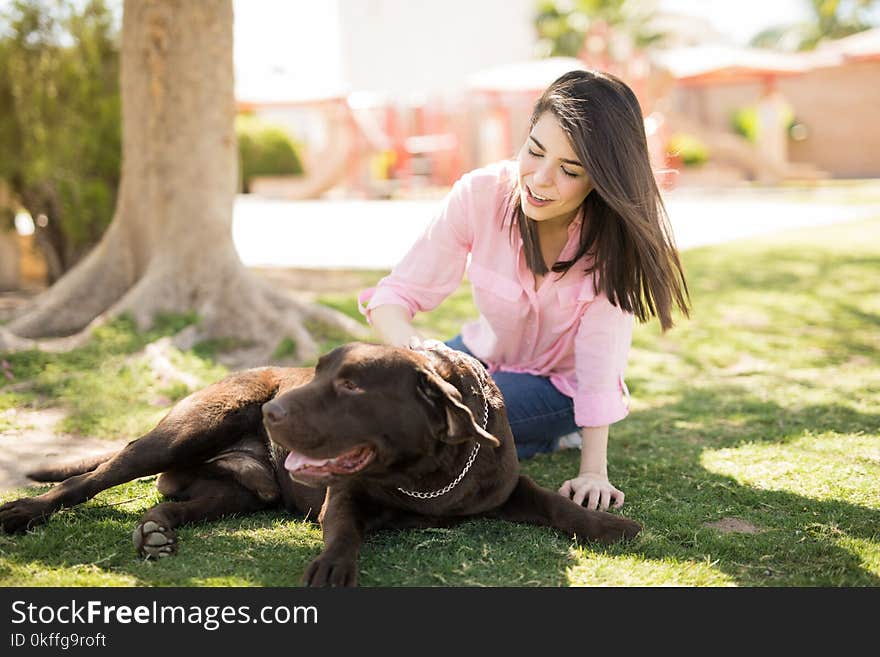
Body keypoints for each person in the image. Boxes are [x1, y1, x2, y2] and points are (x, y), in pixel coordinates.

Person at [358, 70, 690, 512]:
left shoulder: (611, 248)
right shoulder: (480, 194)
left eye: (570, 170)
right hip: (479, 355)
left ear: (601, 179)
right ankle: (517, 439)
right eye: (534, 151)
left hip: (556, 387)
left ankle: (542, 433)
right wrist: (417, 353)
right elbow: (396, 295)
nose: (540, 178)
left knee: (440, 423)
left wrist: (594, 471)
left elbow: (598, 367)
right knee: (381, 396)